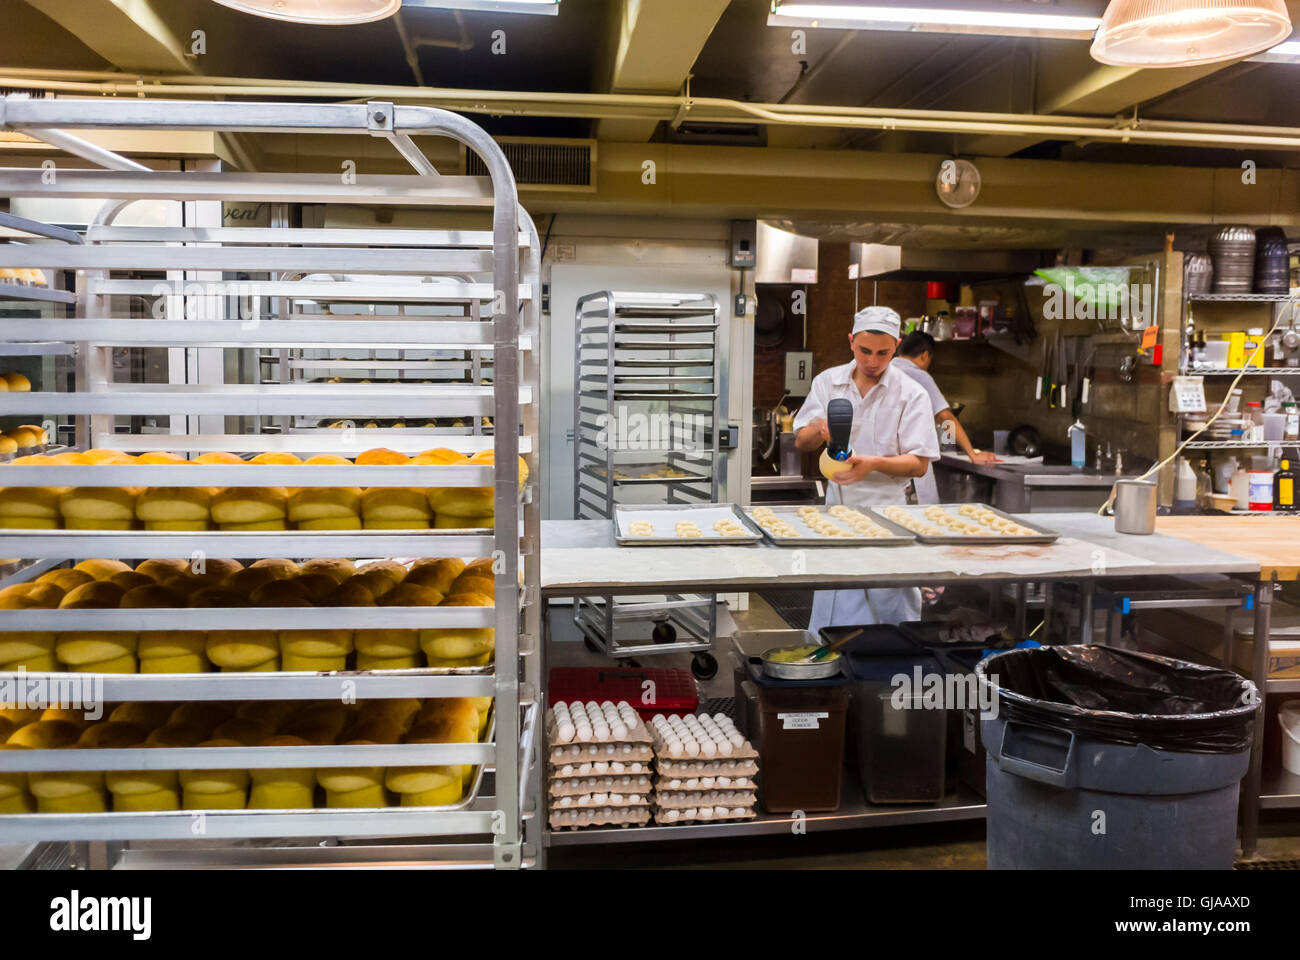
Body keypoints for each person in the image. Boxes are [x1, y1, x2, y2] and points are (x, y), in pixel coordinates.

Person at [792, 306, 939, 634]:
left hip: (889, 518)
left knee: (891, 611)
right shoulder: (829, 383)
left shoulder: (910, 393)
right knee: (837, 611)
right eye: (864, 351)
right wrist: (820, 427)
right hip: (837, 516)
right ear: (851, 342)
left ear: (897, 346)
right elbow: (801, 441)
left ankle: (890, 675)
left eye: (883, 353)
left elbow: (919, 463)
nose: (872, 361)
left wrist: (872, 464)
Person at [894, 330, 996, 503]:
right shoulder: (918, 375)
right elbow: (944, 417)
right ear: (925, 355)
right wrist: (972, 453)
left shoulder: (886, 371)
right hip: (911, 467)